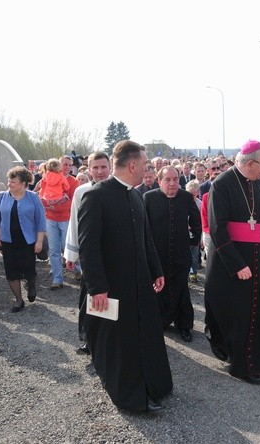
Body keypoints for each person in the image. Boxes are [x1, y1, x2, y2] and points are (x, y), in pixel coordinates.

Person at [78, 140, 172, 412]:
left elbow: (146, 238)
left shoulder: (135, 195)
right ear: (132, 164)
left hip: (140, 283)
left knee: (145, 335)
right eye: (144, 164)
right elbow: (89, 246)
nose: (147, 169)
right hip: (113, 285)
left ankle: (154, 386)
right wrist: (97, 288)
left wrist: (156, 270)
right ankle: (130, 397)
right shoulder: (95, 196)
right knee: (121, 343)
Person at [204, 140, 260, 385]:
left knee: (250, 312)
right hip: (228, 260)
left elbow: (259, 222)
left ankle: (247, 362)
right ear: (250, 163)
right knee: (231, 311)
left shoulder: (258, 183)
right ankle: (238, 360)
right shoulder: (221, 184)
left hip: (254, 255)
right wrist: (237, 264)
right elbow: (218, 229)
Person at [144, 166, 202, 342]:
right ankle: (160, 322)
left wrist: (193, 241)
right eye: (167, 180)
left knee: (181, 288)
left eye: (175, 179)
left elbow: (196, 222)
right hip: (157, 254)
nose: (172, 183)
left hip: (180, 253)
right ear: (159, 181)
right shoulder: (149, 198)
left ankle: (183, 325)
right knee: (158, 288)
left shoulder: (185, 197)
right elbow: (143, 226)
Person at [64, 151, 112, 353]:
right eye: (95, 167)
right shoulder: (81, 192)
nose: (100, 172)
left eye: (103, 167)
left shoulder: (119, 190)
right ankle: (89, 339)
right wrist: (71, 253)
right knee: (89, 297)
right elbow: (74, 222)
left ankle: (109, 340)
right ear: (89, 169)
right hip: (90, 255)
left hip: (113, 254)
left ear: (110, 167)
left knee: (110, 299)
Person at [0, 166, 46, 312]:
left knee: (29, 270)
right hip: (7, 241)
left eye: (13, 182)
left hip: (27, 241)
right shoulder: (2, 196)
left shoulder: (33, 197)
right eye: (9, 181)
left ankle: (31, 285)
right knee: (11, 272)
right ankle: (18, 300)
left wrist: (39, 241)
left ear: (23, 183)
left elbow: (40, 221)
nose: (9, 184)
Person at [41, 156, 79, 290]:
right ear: (58, 165)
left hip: (65, 218)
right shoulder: (47, 177)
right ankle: (57, 279)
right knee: (54, 250)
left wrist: (54, 206)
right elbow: (42, 193)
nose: (67, 167)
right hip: (50, 218)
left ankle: (78, 269)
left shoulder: (74, 182)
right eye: (65, 164)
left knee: (67, 247)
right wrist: (46, 204)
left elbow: (73, 202)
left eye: (70, 165)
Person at [185, 179, 203, 282]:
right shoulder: (183, 203)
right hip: (185, 233)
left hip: (195, 232)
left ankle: (193, 273)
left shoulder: (200, 204)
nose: (192, 197)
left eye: (194, 195)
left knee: (195, 255)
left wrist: (200, 237)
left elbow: (201, 222)